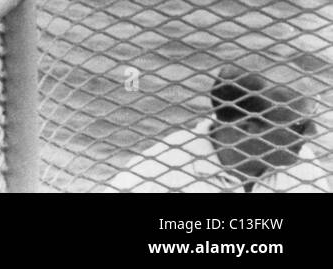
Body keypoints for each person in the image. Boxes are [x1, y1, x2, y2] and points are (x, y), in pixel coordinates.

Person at [108, 65, 328, 192]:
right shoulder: (152, 176)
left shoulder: (302, 162)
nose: (312, 135)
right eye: (299, 126)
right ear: (246, 127)